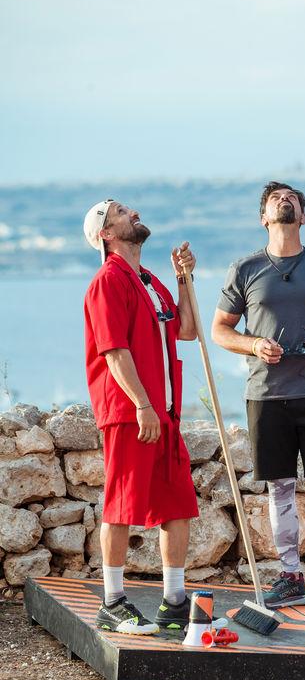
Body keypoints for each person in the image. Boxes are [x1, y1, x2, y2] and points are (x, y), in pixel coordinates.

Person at [212, 182, 305, 616]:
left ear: (303, 216)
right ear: (263, 217)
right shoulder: (244, 269)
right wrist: (254, 345)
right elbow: (220, 330)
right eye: (276, 198)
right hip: (266, 395)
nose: (285, 200)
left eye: (292, 198)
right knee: (278, 489)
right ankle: (291, 578)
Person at [83, 198, 199, 634]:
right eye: (120, 212)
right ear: (106, 234)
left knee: (177, 504)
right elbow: (113, 351)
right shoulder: (107, 281)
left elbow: (186, 330)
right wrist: (142, 405)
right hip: (131, 413)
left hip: (163, 414)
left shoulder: (148, 281)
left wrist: (184, 279)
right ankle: (112, 602)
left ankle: (174, 602)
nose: (133, 213)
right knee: (121, 504)